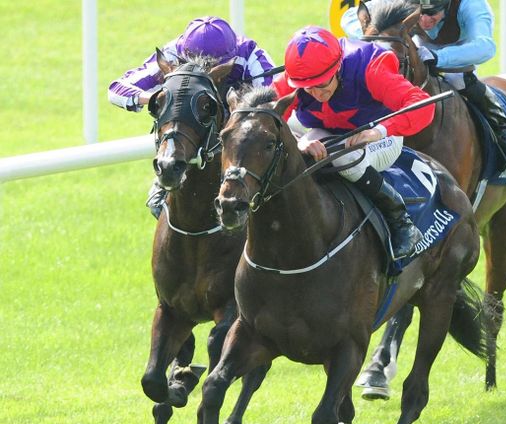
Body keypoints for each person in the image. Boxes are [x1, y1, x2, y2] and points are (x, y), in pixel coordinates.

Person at [275, 26, 432, 260]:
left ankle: (400, 220)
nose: (315, 93)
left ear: (338, 68)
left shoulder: (370, 68)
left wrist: (379, 130)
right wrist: (296, 142)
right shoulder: (295, 78)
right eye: (307, 87)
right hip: (328, 132)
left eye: (321, 84)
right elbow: (266, 119)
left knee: (346, 157)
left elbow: (423, 105)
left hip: (379, 135)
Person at [107, 16, 276, 219]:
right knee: (157, 204)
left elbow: (273, 100)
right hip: (188, 141)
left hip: (238, 146)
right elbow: (117, 90)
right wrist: (158, 98)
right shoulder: (172, 55)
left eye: (213, 69)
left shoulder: (249, 55)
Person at [343, 0, 506, 164]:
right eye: (420, 14)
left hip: (458, 61)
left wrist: (438, 57)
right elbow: (350, 15)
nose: (424, 20)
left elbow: (486, 47)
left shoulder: (471, 5)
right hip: (411, 55)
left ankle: (504, 133)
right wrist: (374, 36)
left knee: (460, 81)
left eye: (432, 13)